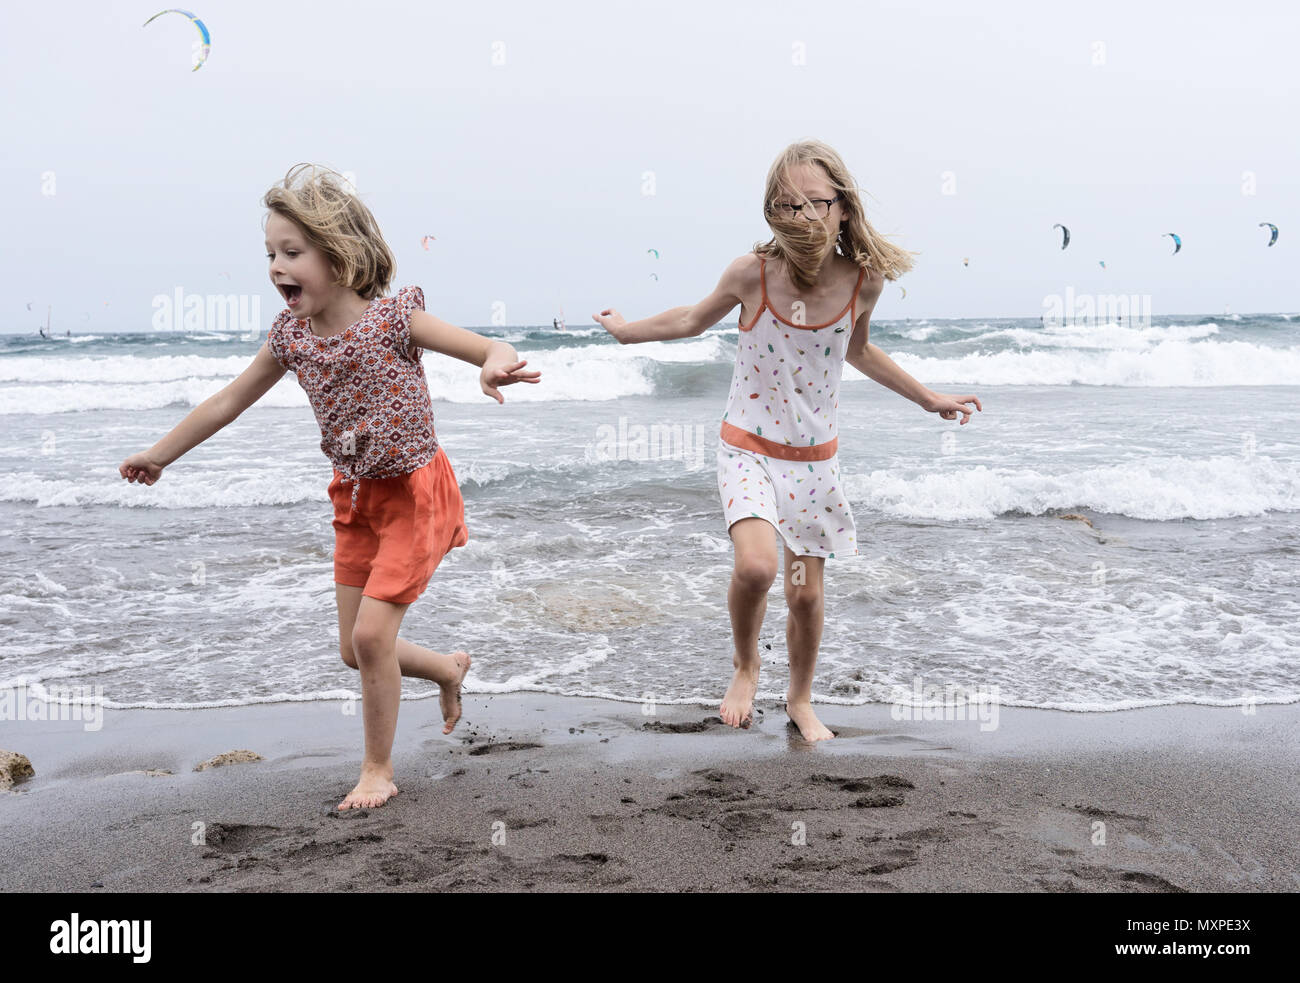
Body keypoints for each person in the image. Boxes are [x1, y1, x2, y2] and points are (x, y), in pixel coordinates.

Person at [119, 164, 540, 808]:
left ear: (339, 255)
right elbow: (229, 400)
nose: (275, 267)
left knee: (373, 638)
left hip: (413, 493)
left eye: (292, 252)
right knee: (355, 649)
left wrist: (494, 365)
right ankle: (448, 669)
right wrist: (161, 455)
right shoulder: (291, 338)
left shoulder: (395, 320)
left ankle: (378, 770)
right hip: (355, 500)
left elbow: (487, 345)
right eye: (269, 254)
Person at [594, 140, 980, 742]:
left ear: (843, 208)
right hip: (747, 447)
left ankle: (800, 698)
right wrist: (627, 333)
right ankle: (746, 666)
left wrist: (930, 398)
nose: (802, 216)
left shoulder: (863, 283)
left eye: (815, 204)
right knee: (755, 567)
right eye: (787, 205)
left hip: (813, 464)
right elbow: (690, 319)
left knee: (804, 598)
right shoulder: (753, 273)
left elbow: (858, 350)